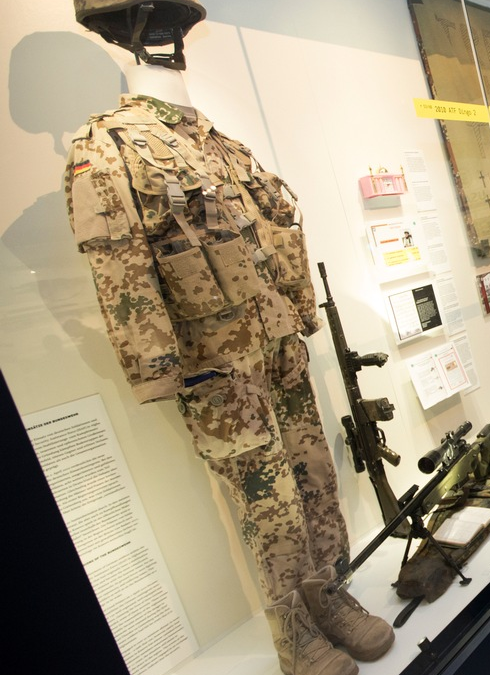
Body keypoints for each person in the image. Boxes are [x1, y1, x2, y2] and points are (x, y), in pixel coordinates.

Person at [66, 5, 393, 674]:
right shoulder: (106, 148)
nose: (169, 36)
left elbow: (276, 230)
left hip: (276, 349)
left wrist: (299, 313)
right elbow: (118, 262)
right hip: (217, 371)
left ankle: (328, 595)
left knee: (314, 480)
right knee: (266, 502)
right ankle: (294, 633)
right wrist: (157, 366)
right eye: (155, 20)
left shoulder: (221, 143)